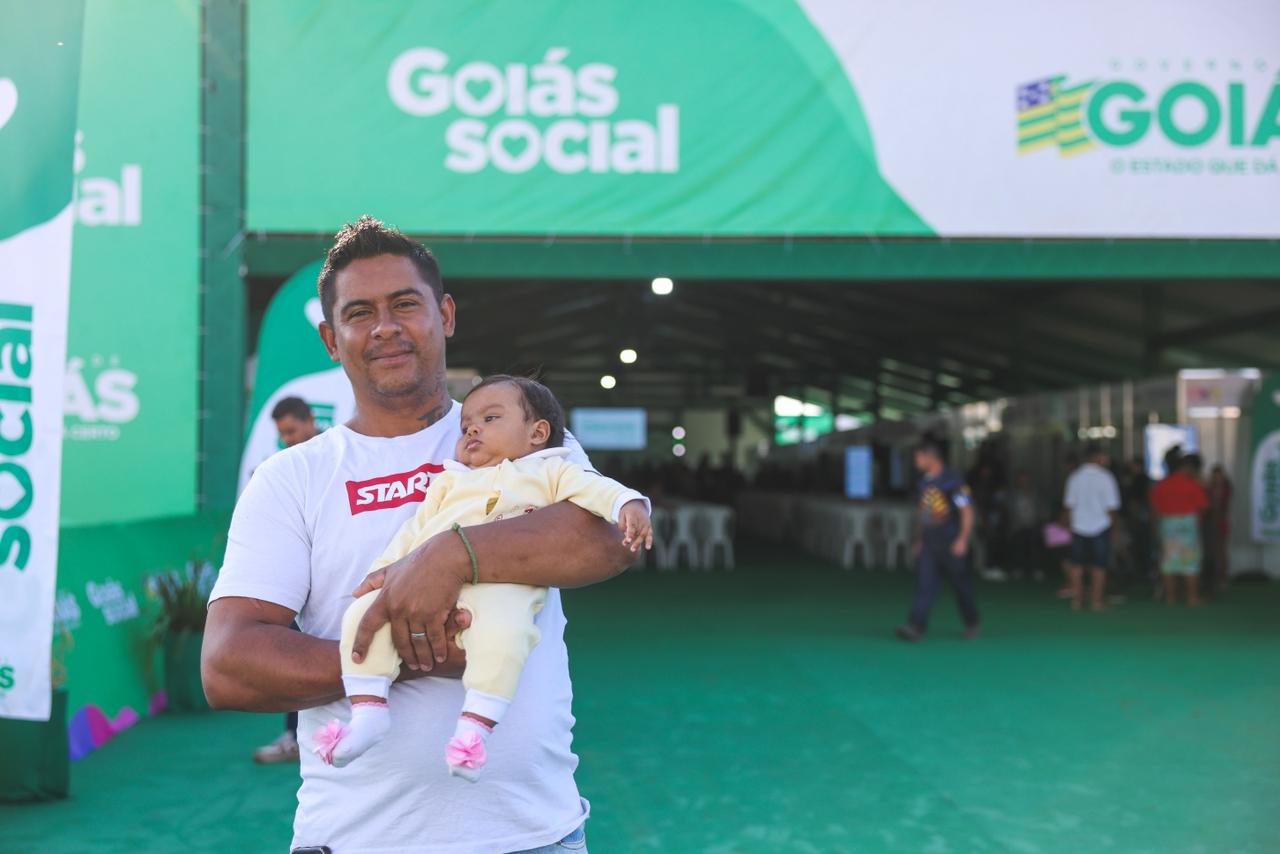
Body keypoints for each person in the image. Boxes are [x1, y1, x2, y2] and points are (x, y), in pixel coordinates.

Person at [202, 216, 634, 853]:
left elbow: (604, 538)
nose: (385, 327)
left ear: (446, 315)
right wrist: (404, 654)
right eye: (360, 313)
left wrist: (451, 556)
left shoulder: (516, 433)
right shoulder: (291, 477)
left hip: (532, 833)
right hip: (355, 839)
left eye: (405, 304)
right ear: (330, 339)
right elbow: (227, 666)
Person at [324, 376, 651, 780]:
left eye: (490, 419)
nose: (472, 430)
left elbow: (594, 489)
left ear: (537, 433)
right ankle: (368, 712)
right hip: (419, 587)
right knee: (362, 616)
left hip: (502, 589)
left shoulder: (551, 470)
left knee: (505, 635)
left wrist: (629, 503)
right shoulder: (451, 480)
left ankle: (473, 731)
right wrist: (386, 572)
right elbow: (414, 531)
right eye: (466, 426)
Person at [252, 396, 321, 764]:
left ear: (310, 420)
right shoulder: (282, 467)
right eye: (283, 434)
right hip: (297, 581)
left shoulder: (338, 455)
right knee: (295, 656)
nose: (288, 439)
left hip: (334, 579)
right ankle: (296, 735)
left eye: (292, 430)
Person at [895, 436, 980, 641]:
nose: (915, 461)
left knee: (961, 585)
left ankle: (971, 621)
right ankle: (915, 626)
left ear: (929, 457)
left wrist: (962, 539)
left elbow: (967, 511)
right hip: (929, 541)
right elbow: (923, 513)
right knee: (925, 584)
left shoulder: (953, 481)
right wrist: (919, 538)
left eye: (918, 457)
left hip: (950, 541)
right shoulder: (923, 482)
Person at [1062, 444, 1121, 611]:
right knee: (1099, 564)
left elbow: (1069, 505)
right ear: (1098, 457)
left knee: (1077, 564)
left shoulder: (1074, 477)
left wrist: (1067, 524)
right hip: (1100, 526)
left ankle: (1076, 600)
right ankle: (1096, 601)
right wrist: (1115, 528)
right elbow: (1112, 507)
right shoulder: (1106, 477)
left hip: (1078, 525)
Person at [1150, 454, 1209, 606]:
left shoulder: (1161, 485)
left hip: (1167, 523)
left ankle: (1170, 597)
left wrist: (1156, 527)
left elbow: (1155, 509)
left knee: (1168, 561)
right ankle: (1192, 597)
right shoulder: (1192, 484)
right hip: (1188, 523)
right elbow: (1202, 507)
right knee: (1190, 561)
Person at [1006, 470, 1041, 580]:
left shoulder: (1035, 493)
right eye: (1021, 480)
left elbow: (1040, 508)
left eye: (1026, 480)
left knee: (1033, 548)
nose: (1024, 482)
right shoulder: (1013, 494)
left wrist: (1040, 521)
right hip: (1017, 526)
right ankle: (1018, 569)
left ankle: (1035, 569)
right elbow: (1009, 509)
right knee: (1018, 548)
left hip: (1032, 524)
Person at [1206, 465, 1233, 594]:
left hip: (1220, 523)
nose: (1217, 479)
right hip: (1210, 523)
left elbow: (1222, 508)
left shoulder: (1226, 490)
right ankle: (1213, 578)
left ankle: (1223, 578)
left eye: (1219, 476)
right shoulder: (1208, 488)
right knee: (1212, 552)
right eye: (1215, 476)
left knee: (1221, 552)